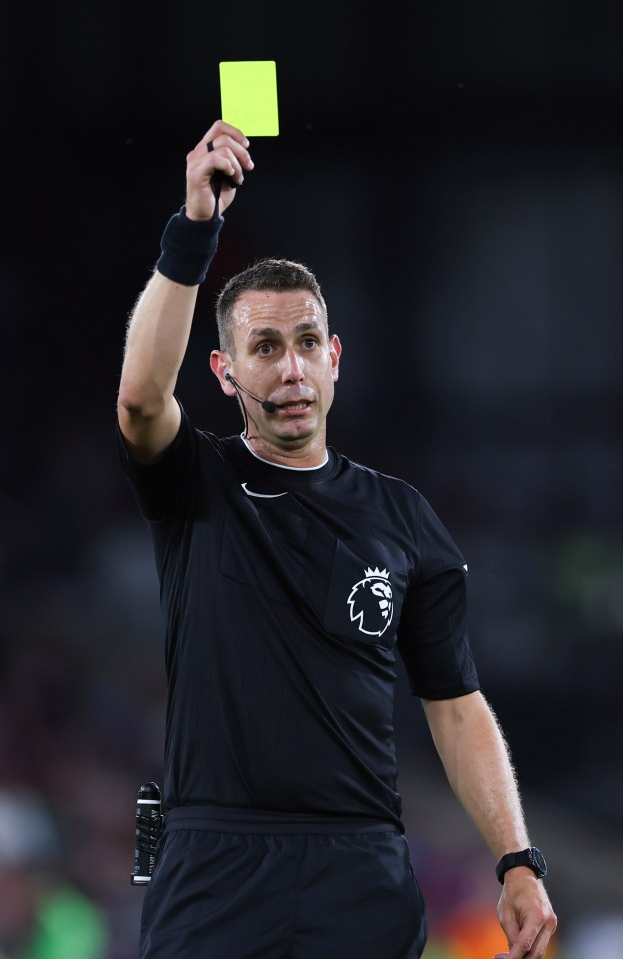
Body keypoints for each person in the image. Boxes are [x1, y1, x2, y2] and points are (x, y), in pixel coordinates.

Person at [116, 119, 557, 959]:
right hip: (215, 862)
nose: (290, 369)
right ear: (225, 371)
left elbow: (457, 704)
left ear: (335, 359)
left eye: (307, 344)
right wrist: (194, 229)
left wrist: (516, 857)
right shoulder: (192, 483)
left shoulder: (404, 518)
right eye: (266, 347)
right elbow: (139, 399)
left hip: (358, 867)